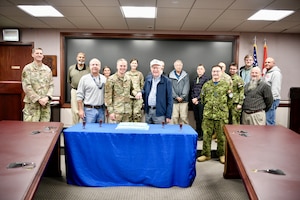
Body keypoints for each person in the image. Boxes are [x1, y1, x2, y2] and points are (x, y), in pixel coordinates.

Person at [197, 65, 232, 164]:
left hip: (221, 115)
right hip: (208, 114)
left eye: (217, 71)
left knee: (221, 137)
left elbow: (230, 100)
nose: (215, 73)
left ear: (221, 73)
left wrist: (223, 109)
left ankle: (221, 154)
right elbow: (202, 99)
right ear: (211, 73)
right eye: (214, 71)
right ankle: (206, 154)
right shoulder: (206, 85)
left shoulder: (226, 85)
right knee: (206, 135)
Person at [22, 47, 54, 122]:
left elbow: (51, 85)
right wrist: (38, 99)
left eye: (41, 53)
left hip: (45, 105)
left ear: (43, 56)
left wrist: (47, 97)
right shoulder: (27, 68)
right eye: (37, 53)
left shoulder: (47, 69)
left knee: (44, 128)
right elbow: (26, 86)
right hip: (32, 104)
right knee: (30, 129)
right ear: (32, 55)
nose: (39, 55)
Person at [105, 58, 142, 123]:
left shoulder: (128, 79)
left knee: (127, 132)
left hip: (128, 113)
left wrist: (136, 93)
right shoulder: (111, 79)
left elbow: (131, 90)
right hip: (117, 113)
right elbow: (108, 97)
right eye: (121, 66)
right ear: (117, 66)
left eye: (124, 66)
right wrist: (111, 112)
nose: (122, 68)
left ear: (127, 67)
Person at [143, 59, 173, 124]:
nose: (155, 70)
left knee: (160, 133)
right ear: (151, 69)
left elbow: (170, 100)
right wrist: (139, 93)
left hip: (160, 114)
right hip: (148, 112)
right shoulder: (148, 79)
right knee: (148, 133)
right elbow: (144, 91)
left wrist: (168, 115)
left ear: (161, 69)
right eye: (153, 68)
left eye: (157, 68)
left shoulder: (167, 81)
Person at [77, 58, 106, 123]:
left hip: (101, 110)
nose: (95, 66)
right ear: (90, 66)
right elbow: (79, 95)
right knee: (89, 130)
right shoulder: (84, 79)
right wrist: (80, 110)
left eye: (97, 65)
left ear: (100, 67)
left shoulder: (104, 79)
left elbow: (106, 95)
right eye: (93, 64)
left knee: (101, 130)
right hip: (89, 110)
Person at [67, 52, 90, 124]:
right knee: (75, 110)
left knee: (84, 110)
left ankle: (83, 128)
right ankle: (74, 127)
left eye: (83, 57)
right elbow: (69, 80)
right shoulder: (71, 68)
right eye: (79, 57)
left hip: (85, 92)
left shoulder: (89, 69)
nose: (81, 59)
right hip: (75, 91)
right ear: (77, 58)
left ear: (85, 59)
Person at [190, 64, 209, 140]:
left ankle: (202, 134)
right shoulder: (195, 79)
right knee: (196, 119)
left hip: (201, 102)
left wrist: (197, 99)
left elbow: (204, 91)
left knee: (202, 119)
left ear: (204, 70)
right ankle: (198, 132)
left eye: (201, 69)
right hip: (194, 102)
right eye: (198, 69)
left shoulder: (206, 79)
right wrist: (193, 98)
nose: (199, 70)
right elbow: (192, 90)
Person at [169, 59, 190, 124]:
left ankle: (185, 133)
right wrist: (176, 96)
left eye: (180, 65)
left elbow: (187, 86)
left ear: (182, 66)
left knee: (184, 117)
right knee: (174, 118)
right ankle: (174, 133)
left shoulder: (185, 75)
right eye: (177, 65)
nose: (178, 66)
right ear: (174, 66)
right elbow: (170, 87)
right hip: (174, 101)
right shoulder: (170, 75)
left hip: (184, 101)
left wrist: (182, 97)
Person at [263, 57, 282, 125]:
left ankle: (270, 135)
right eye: (265, 62)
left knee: (270, 121)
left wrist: (271, 100)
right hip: (267, 99)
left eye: (269, 62)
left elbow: (275, 88)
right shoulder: (266, 72)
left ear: (273, 63)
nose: (266, 63)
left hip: (272, 99)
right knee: (266, 120)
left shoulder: (276, 73)